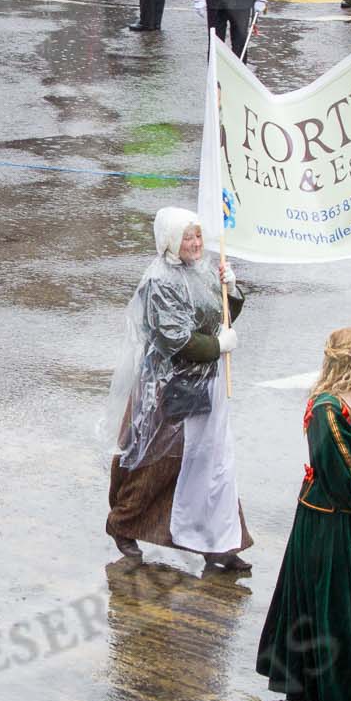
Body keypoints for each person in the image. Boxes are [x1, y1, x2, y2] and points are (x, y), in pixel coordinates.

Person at [256, 327, 351, 701]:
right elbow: (340, 470)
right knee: (335, 608)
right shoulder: (327, 409)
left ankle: (335, 692)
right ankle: (333, 698)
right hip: (330, 522)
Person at [100, 207, 250, 571]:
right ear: (170, 240)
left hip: (207, 383)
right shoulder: (160, 281)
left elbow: (219, 317)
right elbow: (175, 339)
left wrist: (233, 291)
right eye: (187, 237)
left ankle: (221, 541)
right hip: (169, 386)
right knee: (160, 461)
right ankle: (124, 524)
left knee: (214, 463)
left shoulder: (202, 271)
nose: (196, 243)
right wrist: (218, 346)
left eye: (198, 235)